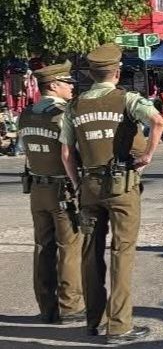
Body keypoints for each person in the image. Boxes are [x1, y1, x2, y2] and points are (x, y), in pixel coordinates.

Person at [60, 44, 163, 343]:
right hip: (121, 186)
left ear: (90, 74)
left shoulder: (74, 106)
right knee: (122, 252)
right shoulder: (127, 99)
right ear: (117, 72)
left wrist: (77, 184)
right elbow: (157, 121)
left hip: (89, 186)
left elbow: (66, 153)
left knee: (89, 254)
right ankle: (119, 326)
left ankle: (93, 321)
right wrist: (147, 156)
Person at [18, 62, 84, 325]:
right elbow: (72, 154)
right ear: (54, 85)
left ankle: (46, 307)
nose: (71, 87)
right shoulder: (64, 114)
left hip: (37, 188)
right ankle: (70, 306)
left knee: (42, 247)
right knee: (69, 247)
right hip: (61, 188)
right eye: (67, 83)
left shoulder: (26, 113)